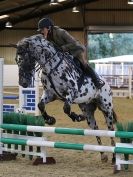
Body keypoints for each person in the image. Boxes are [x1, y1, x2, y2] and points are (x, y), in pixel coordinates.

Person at [37, 17, 105, 89]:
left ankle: (97, 80)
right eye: (41, 30)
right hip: (64, 54)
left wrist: (63, 48)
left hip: (76, 51)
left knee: (83, 64)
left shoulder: (61, 32)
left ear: (49, 27)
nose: (41, 31)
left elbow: (75, 43)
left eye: (42, 29)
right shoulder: (47, 37)